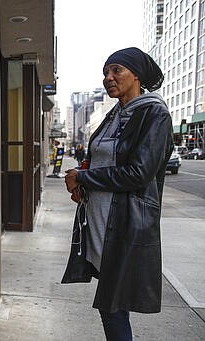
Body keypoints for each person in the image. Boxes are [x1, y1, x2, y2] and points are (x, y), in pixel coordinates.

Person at [62, 47, 174, 341]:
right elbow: (104, 158)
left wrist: (84, 176)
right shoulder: (116, 113)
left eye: (116, 70)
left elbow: (138, 173)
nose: (108, 78)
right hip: (100, 218)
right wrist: (83, 183)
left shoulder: (154, 113)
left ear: (136, 74)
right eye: (105, 73)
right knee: (111, 303)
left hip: (125, 223)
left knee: (112, 303)